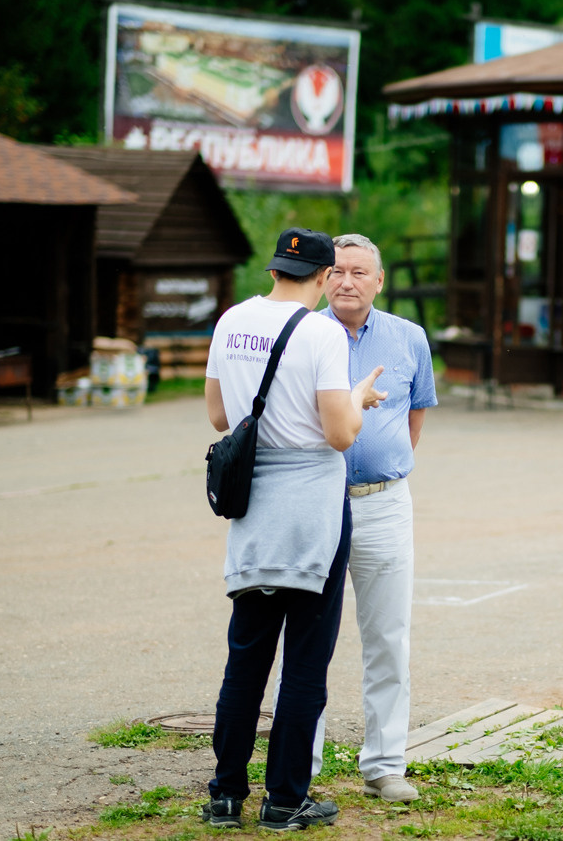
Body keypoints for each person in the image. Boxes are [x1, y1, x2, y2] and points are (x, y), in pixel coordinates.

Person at [201, 227, 386, 830]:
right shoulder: (323, 333)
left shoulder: (230, 321)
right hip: (312, 509)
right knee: (305, 662)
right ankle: (284, 801)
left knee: (246, 656)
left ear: (274, 268)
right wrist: (357, 397)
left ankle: (226, 795)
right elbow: (339, 433)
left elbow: (220, 413)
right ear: (328, 276)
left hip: (253, 507)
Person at [314, 232, 438, 803]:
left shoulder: (409, 338)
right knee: (308, 639)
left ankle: (385, 765)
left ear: (379, 280)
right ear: (322, 276)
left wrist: (386, 463)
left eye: (359, 272)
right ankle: (302, 763)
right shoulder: (305, 336)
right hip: (315, 502)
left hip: (385, 504)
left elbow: (414, 418)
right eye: (337, 271)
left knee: (388, 637)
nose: (347, 281)